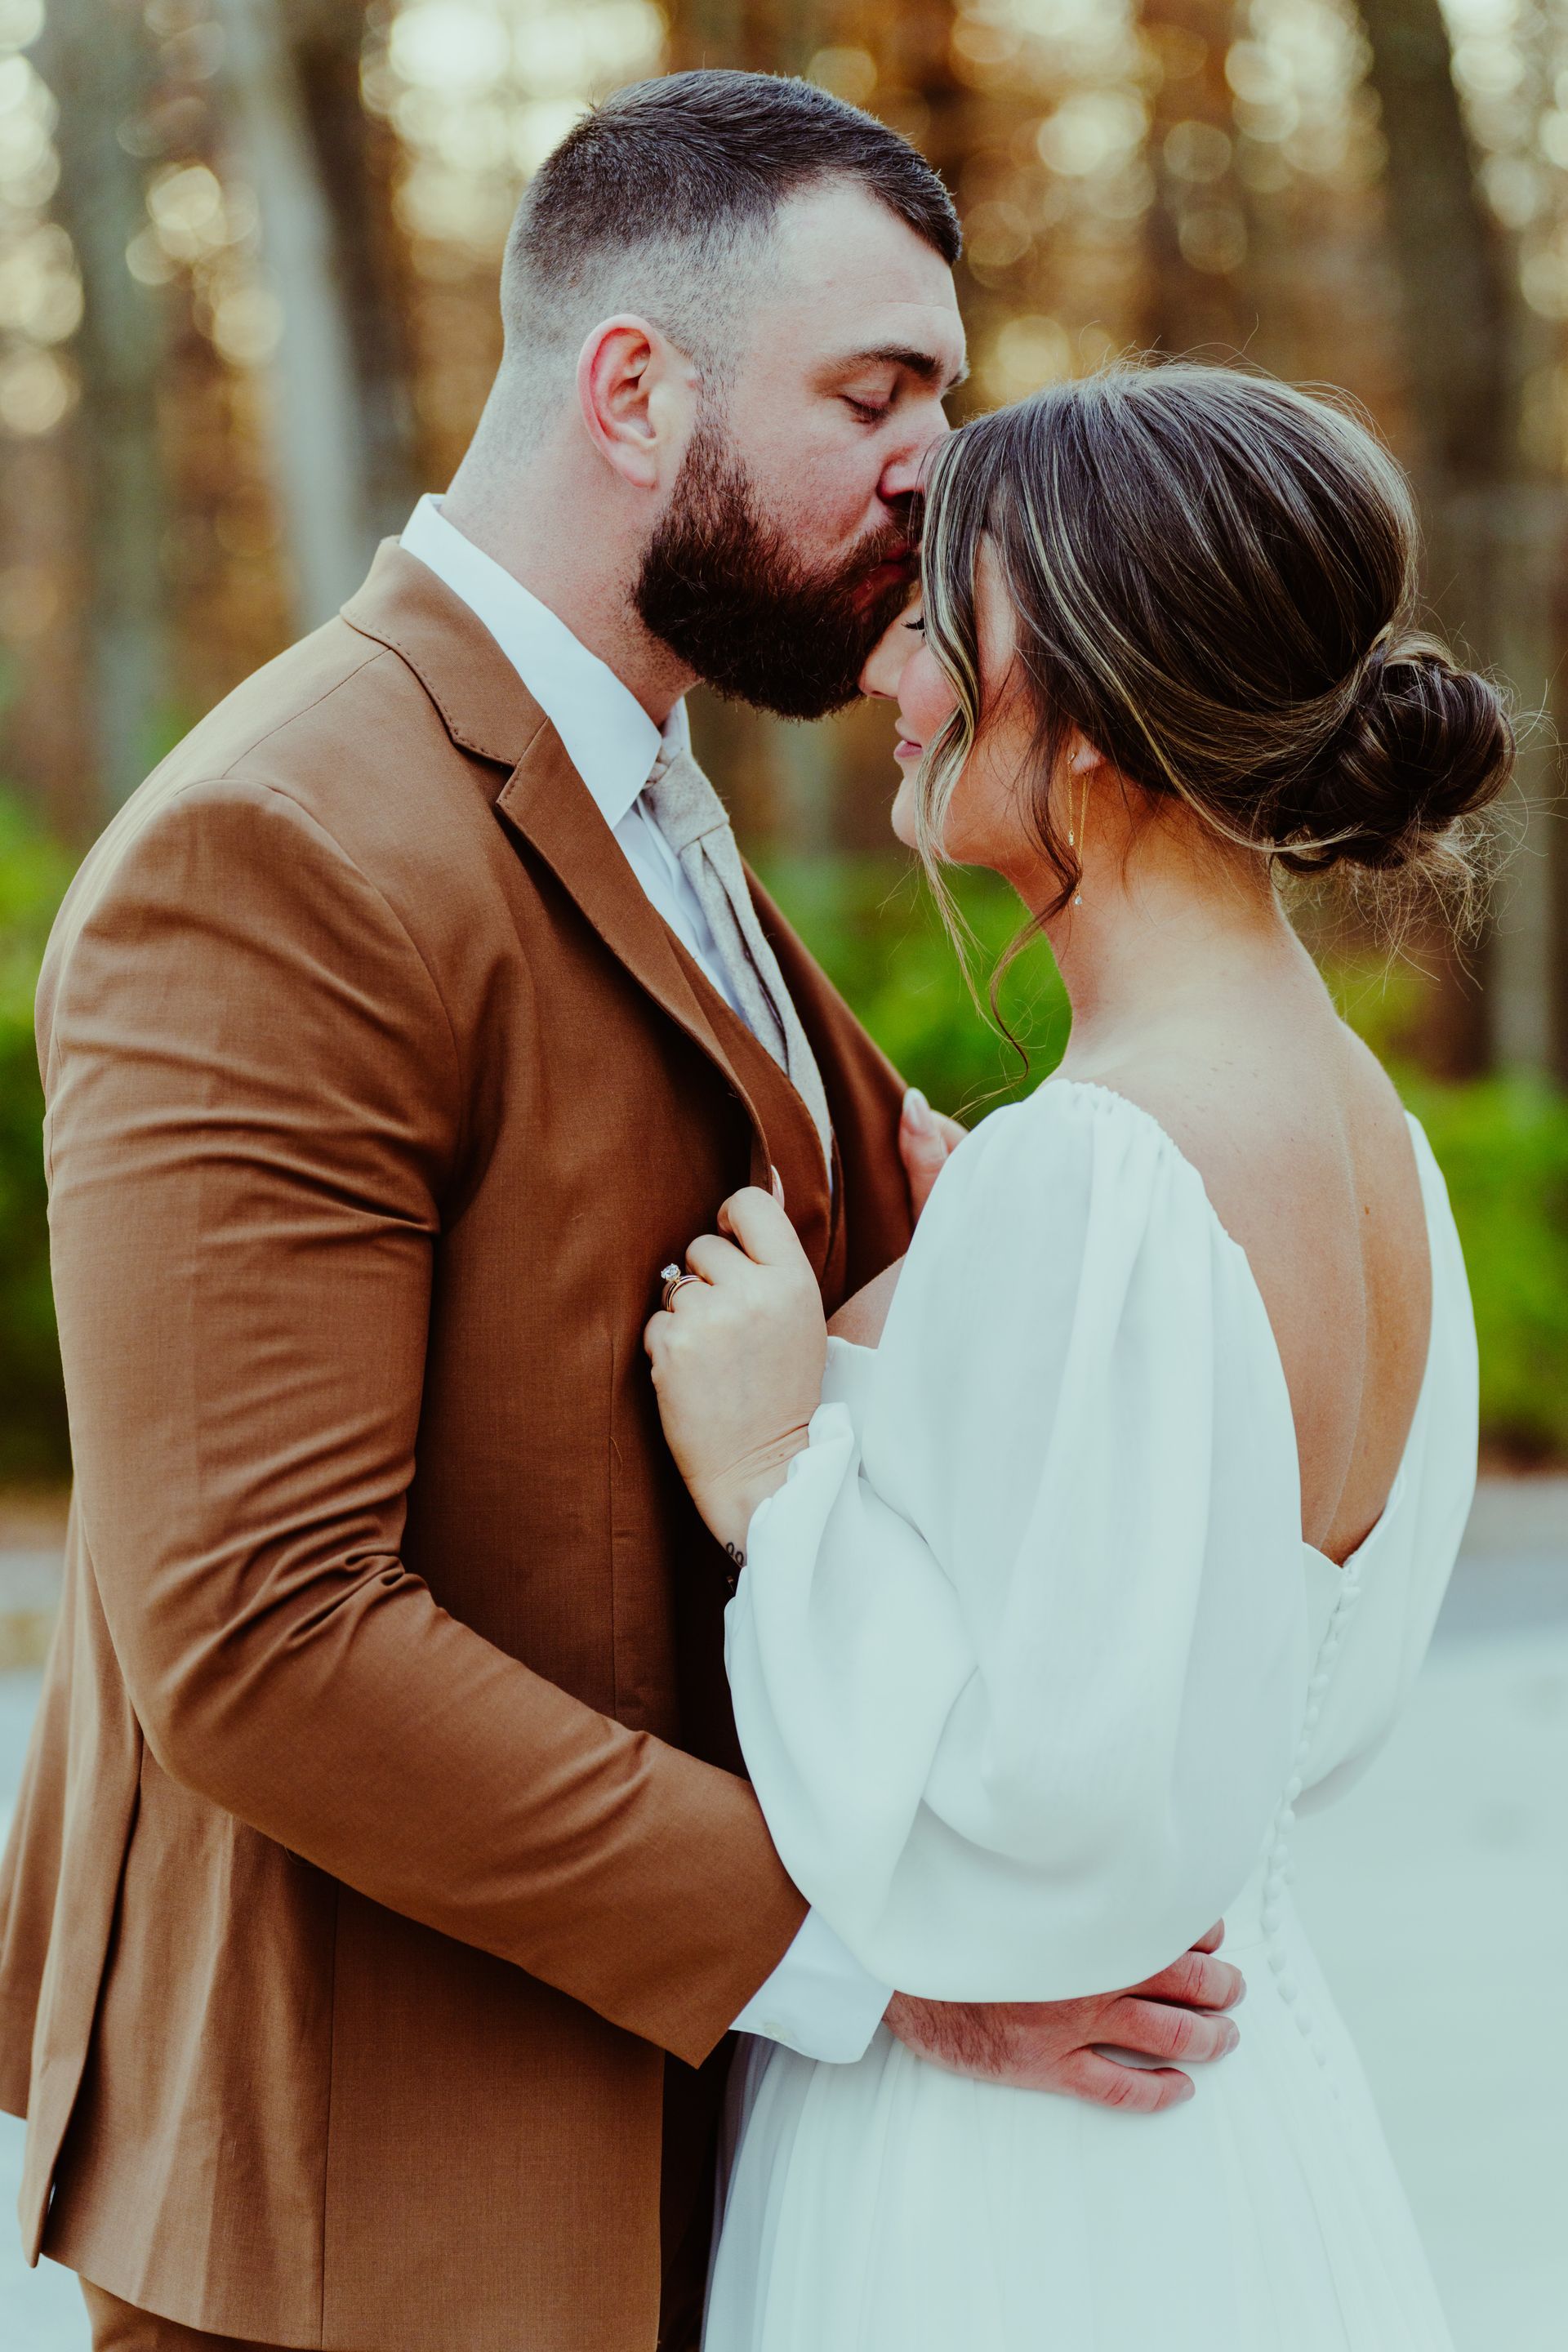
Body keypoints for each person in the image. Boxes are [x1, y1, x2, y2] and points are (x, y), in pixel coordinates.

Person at [0, 77, 1243, 2352]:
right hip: (367, 2224)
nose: (927, 468)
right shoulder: (269, 851)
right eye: (875, 393)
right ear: (633, 385)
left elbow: (906, 1233)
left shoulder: (648, 792)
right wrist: (899, 1967)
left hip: (657, 2161)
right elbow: (260, 1642)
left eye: (942, 402)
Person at [646, 363, 1508, 2350]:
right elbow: (1231, 1673)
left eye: (950, 626)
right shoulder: (1366, 1134)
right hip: (1241, 2134)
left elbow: (1017, 1807)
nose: (893, 675)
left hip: (1007, 2189)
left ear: (1104, 713)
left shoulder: (1104, 1170)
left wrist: (776, 1477)